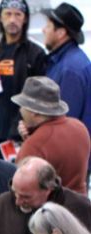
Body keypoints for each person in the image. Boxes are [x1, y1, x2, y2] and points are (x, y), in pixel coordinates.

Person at [0, 0, 46, 159]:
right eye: (8, 14)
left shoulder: (35, 53)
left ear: (25, 19)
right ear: (0, 17)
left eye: (18, 14)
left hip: (23, 132)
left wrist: (23, 126)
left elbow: (39, 97)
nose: (12, 19)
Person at [13, 76, 89, 194]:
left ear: (34, 112)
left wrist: (29, 142)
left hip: (51, 210)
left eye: (22, 106)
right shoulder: (80, 128)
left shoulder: (35, 145)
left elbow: (19, 188)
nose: (20, 110)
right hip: (81, 207)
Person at [42, 2, 91, 137]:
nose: (43, 30)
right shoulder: (66, 62)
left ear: (61, 33)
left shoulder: (70, 69)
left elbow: (62, 125)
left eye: (48, 26)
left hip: (69, 154)